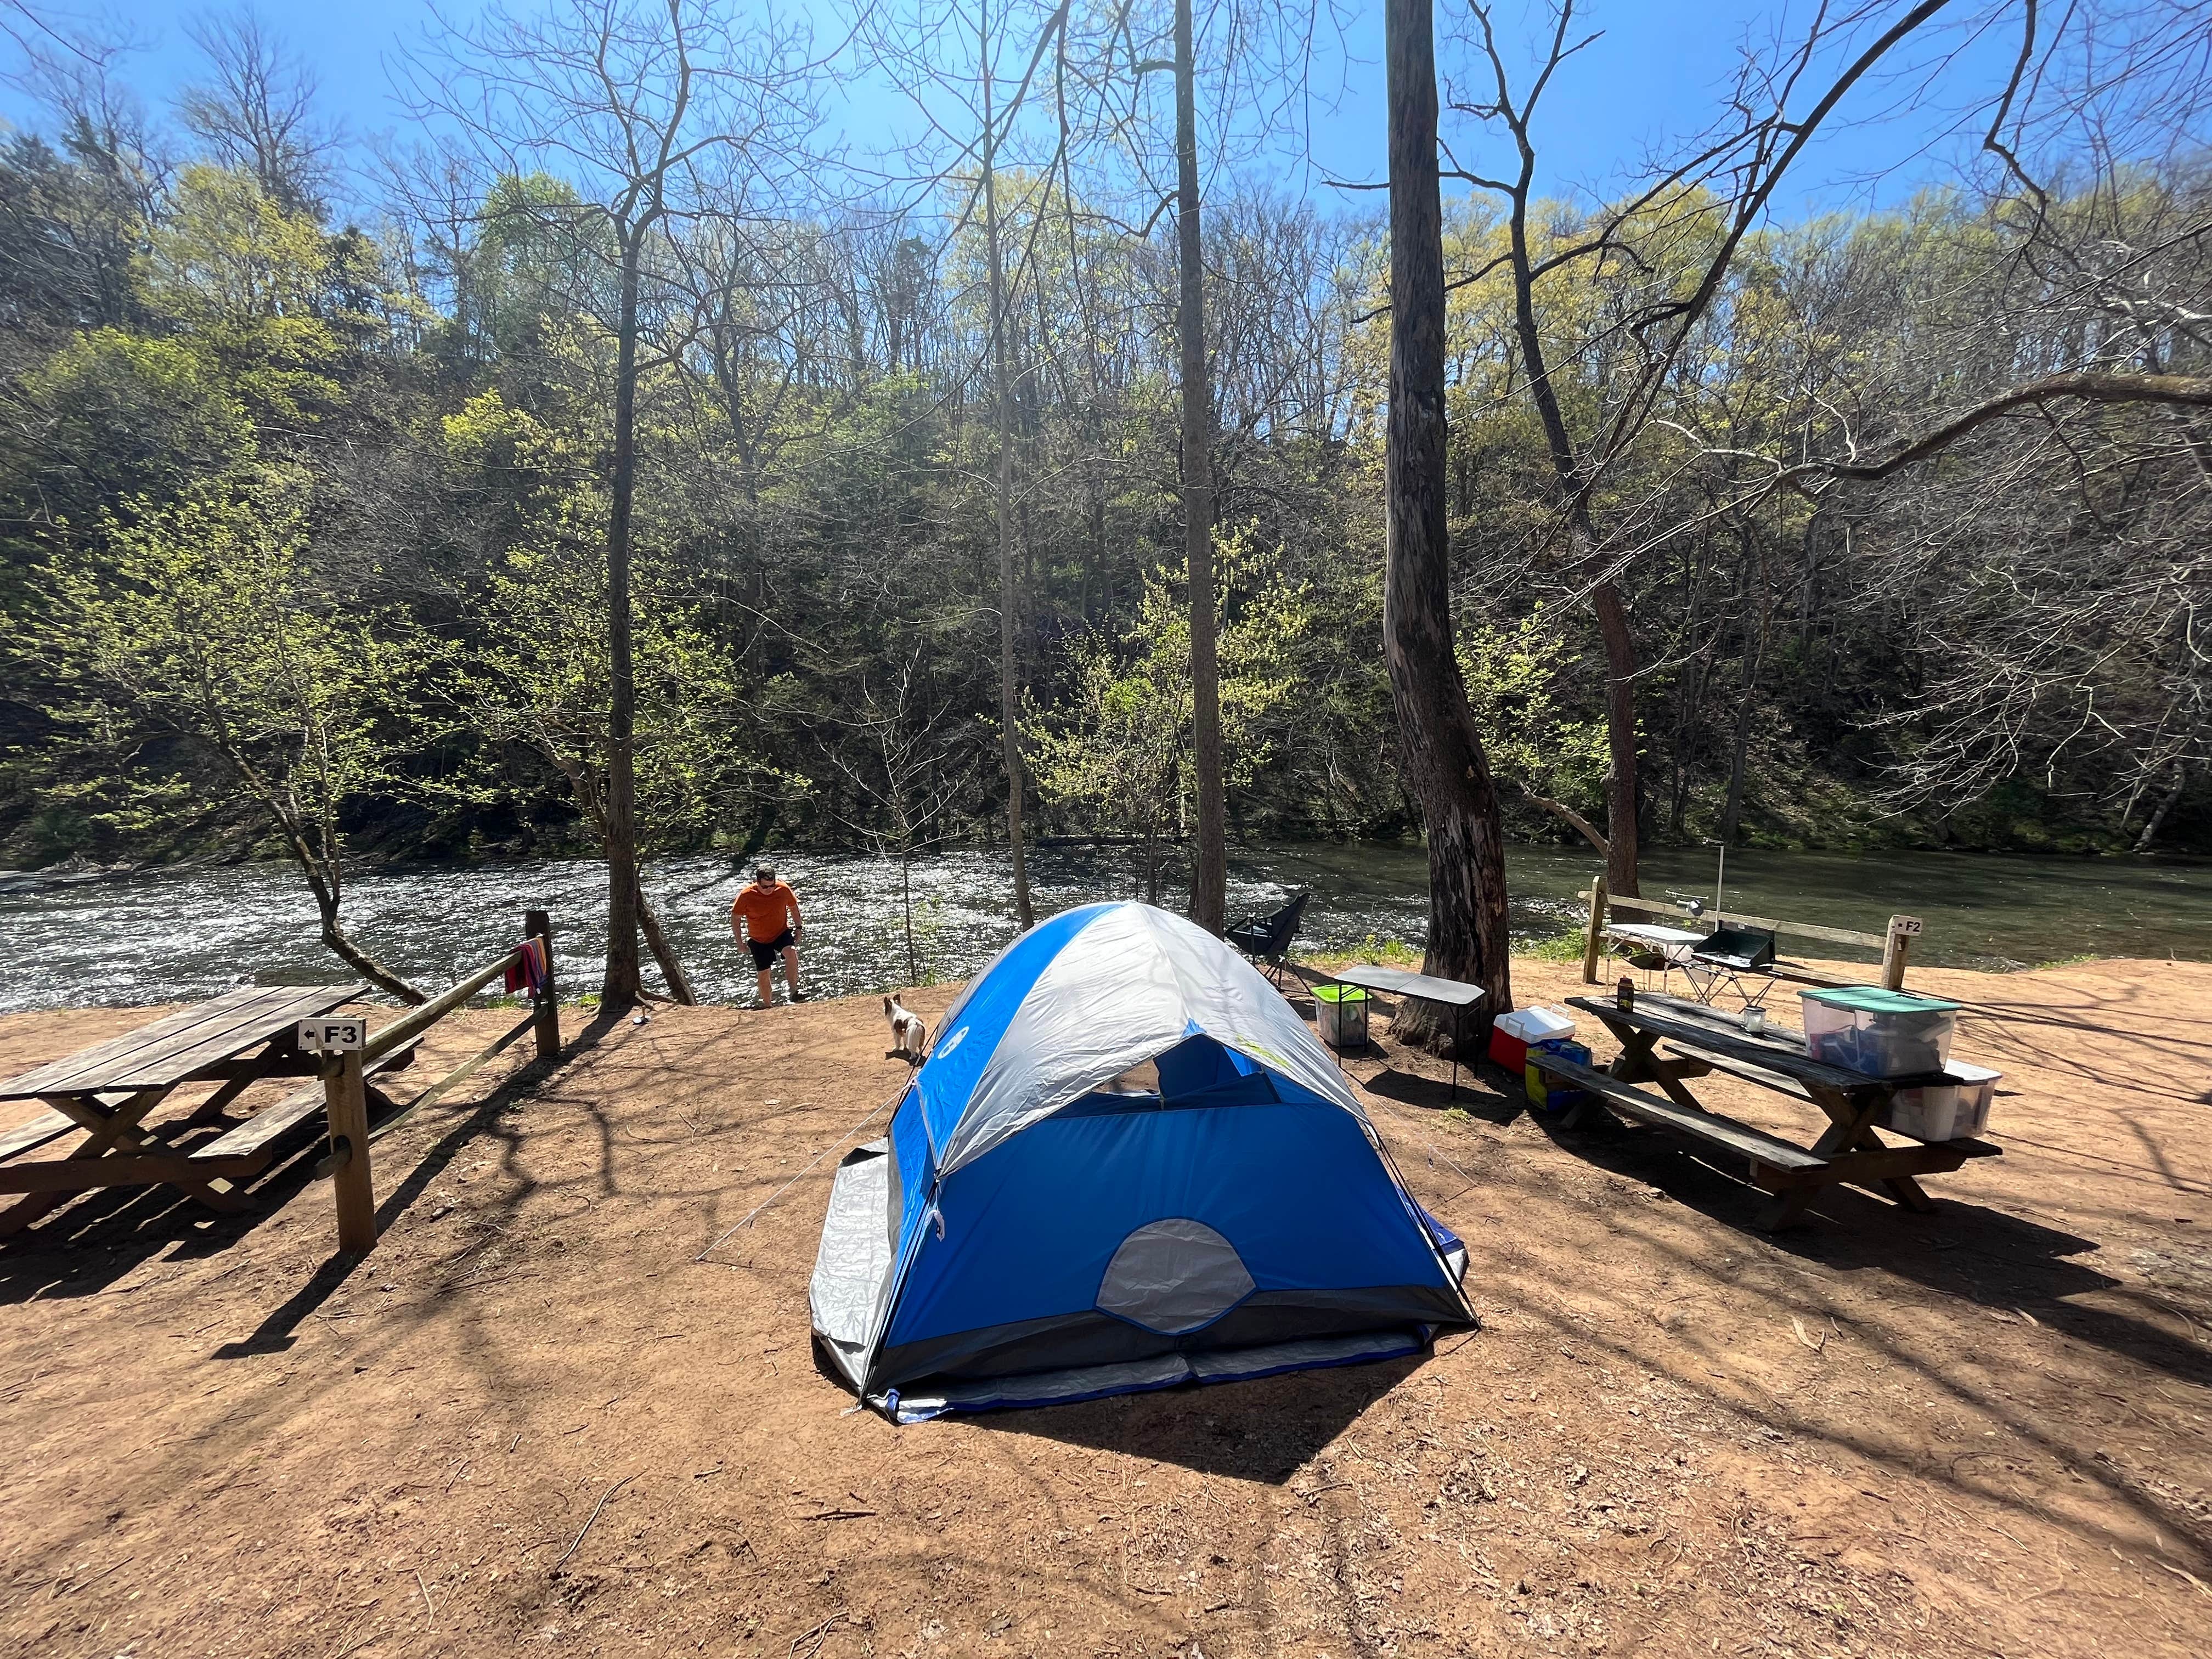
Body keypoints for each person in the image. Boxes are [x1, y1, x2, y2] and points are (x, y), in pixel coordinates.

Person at [732, 863, 805, 1007]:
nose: (769, 890)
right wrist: (739, 942)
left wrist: (799, 928)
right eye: (765, 887)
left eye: (772, 886)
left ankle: (794, 991)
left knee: (791, 953)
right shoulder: (746, 895)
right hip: (758, 939)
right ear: (757, 883)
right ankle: (767, 1005)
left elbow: (794, 908)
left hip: (781, 932)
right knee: (764, 972)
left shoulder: (783, 889)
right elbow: (735, 918)